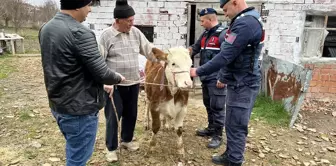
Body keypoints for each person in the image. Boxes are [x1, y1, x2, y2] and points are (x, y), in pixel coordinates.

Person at [38, 0, 125, 166]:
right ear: (78, 6)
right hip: (80, 110)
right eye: (88, 5)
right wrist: (117, 77)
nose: (90, 9)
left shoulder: (46, 28)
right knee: (78, 159)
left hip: (58, 105)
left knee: (74, 148)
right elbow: (103, 74)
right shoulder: (80, 33)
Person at [190, 0, 265, 165]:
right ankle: (230, 154)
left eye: (225, 9)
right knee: (231, 122)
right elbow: (233, 56)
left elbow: (226, 56)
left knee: (236, 125)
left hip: (243, 83)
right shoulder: (244, 20)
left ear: (235, 2)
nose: (225, 14)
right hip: (237, 80)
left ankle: (235, 161)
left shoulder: (246, 23)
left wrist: (198, 71)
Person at [98, 0, 165, 162]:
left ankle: (126, 141)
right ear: (117, 21)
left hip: (133, 83)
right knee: (114, 116)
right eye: (128, 21)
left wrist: (163, 59)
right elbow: (99, 61)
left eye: (132, 20)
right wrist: (105, 81)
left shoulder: (135, 33)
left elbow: (148, 50)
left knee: (131, 114)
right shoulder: (106, 36)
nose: (131, 24)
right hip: (114, 86)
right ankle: (112, 149)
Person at [188, 8, 227, 149]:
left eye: (203, 21)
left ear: (210, 19)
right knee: (208, 104)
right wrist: (183, 52)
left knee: (217, 107)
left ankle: (218, 135)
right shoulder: (205, 34)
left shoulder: (223, 34)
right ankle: (211, 128)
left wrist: (223, 77)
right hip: (206, 77)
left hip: (217, 78)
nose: (201, 23)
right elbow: (195, 48)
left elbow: (228, 57)